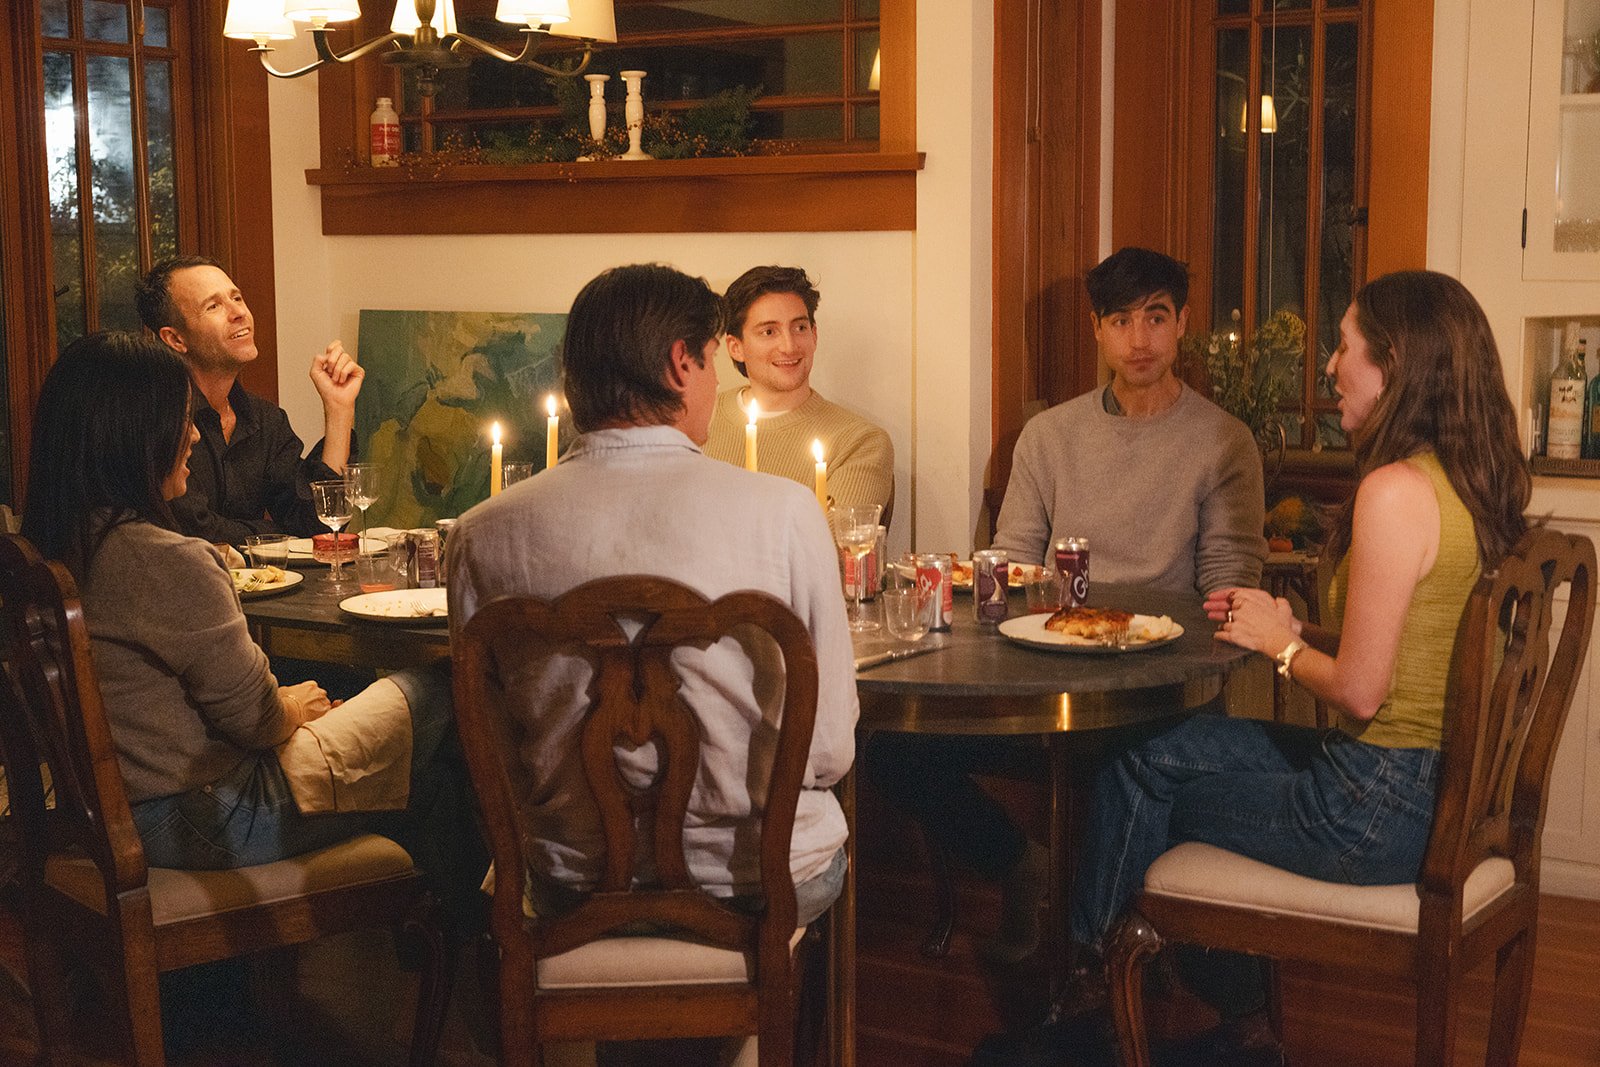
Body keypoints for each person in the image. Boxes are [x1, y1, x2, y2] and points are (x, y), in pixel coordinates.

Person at [1063, 270, 1530, 1062]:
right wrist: (1290, 624)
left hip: (1372, 806)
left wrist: (1283, 649)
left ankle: (1090, 1006)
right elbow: (1404, 644)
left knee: (1141, 788)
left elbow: (1359, 690)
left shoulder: (1393, 492)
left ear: (1393, 364)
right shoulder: (1466, 483)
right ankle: (1216, 1020)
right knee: (1145, 753)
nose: (1328, 368)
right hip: (1429, 784)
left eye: (1342, 348)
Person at [867, 247, 1266, 964]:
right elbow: (1015, 561)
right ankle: (1018, 861)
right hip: (1044, 671)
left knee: (1140, 764)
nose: (1139, 339)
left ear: (1182, 325)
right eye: (1121, 320)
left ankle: (1102, 964)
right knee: (895, 746)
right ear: (1097, 330)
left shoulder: (1221, 441)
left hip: (1158, 686)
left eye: (1156, 317)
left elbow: (1228, 590)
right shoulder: (1050, 436)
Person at [19, 332, 484, 923]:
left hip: (101, 812)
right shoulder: (168, 560)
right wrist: (289, 705)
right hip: (205, 820)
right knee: (441, 685)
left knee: (433, 782)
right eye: (180, 420)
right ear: (133, 438)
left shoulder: (53, 549)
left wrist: (283, 703)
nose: (192, 434)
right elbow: (259, 722)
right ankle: (484, 955)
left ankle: (438, 947)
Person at [447, 263, 857, 926]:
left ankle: (580, 1015)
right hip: (754, 878)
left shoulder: (478, 533)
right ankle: (749, 1018)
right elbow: (830, 749)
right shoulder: (784, 513)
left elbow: (491, 751)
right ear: (680, 363)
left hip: (568, 880)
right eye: (711, 362)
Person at [134, 255, 363, 544]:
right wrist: (282, 536)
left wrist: (339, 410)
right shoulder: (159, 420)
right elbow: (197, 531)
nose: (238, 313)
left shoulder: (265, 419)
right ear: (176, 339)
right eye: (213, 306)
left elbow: (318, 525)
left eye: (237, 298)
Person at [702, 265, 895, 520]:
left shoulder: (860, 442)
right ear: (735, 347)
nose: (789, 346)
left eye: (800, 328)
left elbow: (833, 549)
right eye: (769, 331)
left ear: (814, 336)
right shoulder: (696, 419)